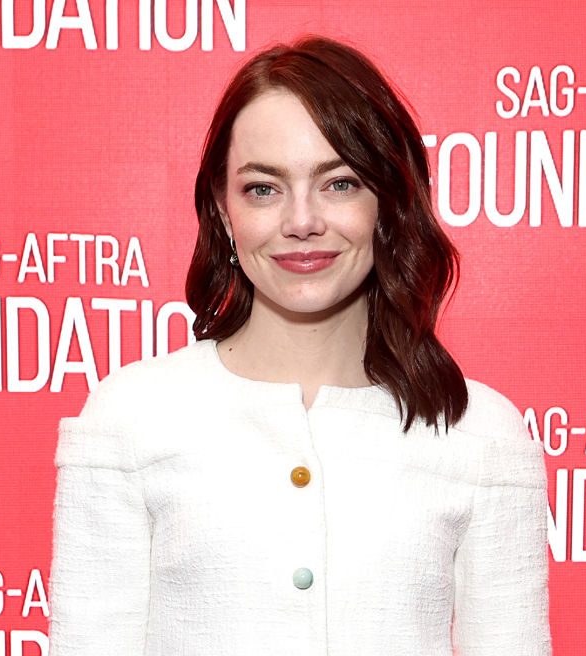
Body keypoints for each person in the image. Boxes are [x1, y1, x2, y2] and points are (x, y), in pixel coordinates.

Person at [49, 36, 550, 655]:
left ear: (388, 205)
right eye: (264, 188)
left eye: (339, 183)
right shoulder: (129, 419)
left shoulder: (482, 436)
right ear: (224, 211)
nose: (302, 220)